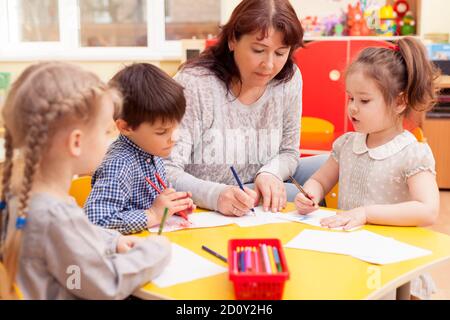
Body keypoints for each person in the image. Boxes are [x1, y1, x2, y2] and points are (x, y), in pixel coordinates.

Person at [0, 62, 171, 299]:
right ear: (76, 142)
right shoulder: (55, 217)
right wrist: (157, 250)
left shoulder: (25, 196)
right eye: (105, 132)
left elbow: (69, 249)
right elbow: (107, 283)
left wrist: (113, 240)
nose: (107, 141)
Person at [295, 37, 440, 299]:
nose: (352, 108)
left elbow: (428, 210)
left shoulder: (411, 153)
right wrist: (310, 194)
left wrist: (365, 213)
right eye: (350, 97)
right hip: (350, 254)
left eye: (364, 100)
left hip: (392, 264)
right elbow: (319, 180)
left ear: (399, 102)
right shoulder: (348, 145)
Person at [166, 0, 327, 217]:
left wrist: (270, 173)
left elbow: (289, 152)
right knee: (298, 196)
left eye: (280, 53)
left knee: (334, 164)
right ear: (233, 40)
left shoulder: (288, 79)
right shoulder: (195, 83)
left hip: (256, 182)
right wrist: (216, 195)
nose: (269, 65)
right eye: (258, 50)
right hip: (214, 195)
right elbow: (164, 169)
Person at [85, 63, 195, 235]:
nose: (175, 137)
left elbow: (156, 202)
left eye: (176, 127)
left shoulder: (150, 150)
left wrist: (172, 208)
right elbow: (96, 221)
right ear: (126, 127)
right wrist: (153, 215)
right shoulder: (119, 165)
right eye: (162, 131)